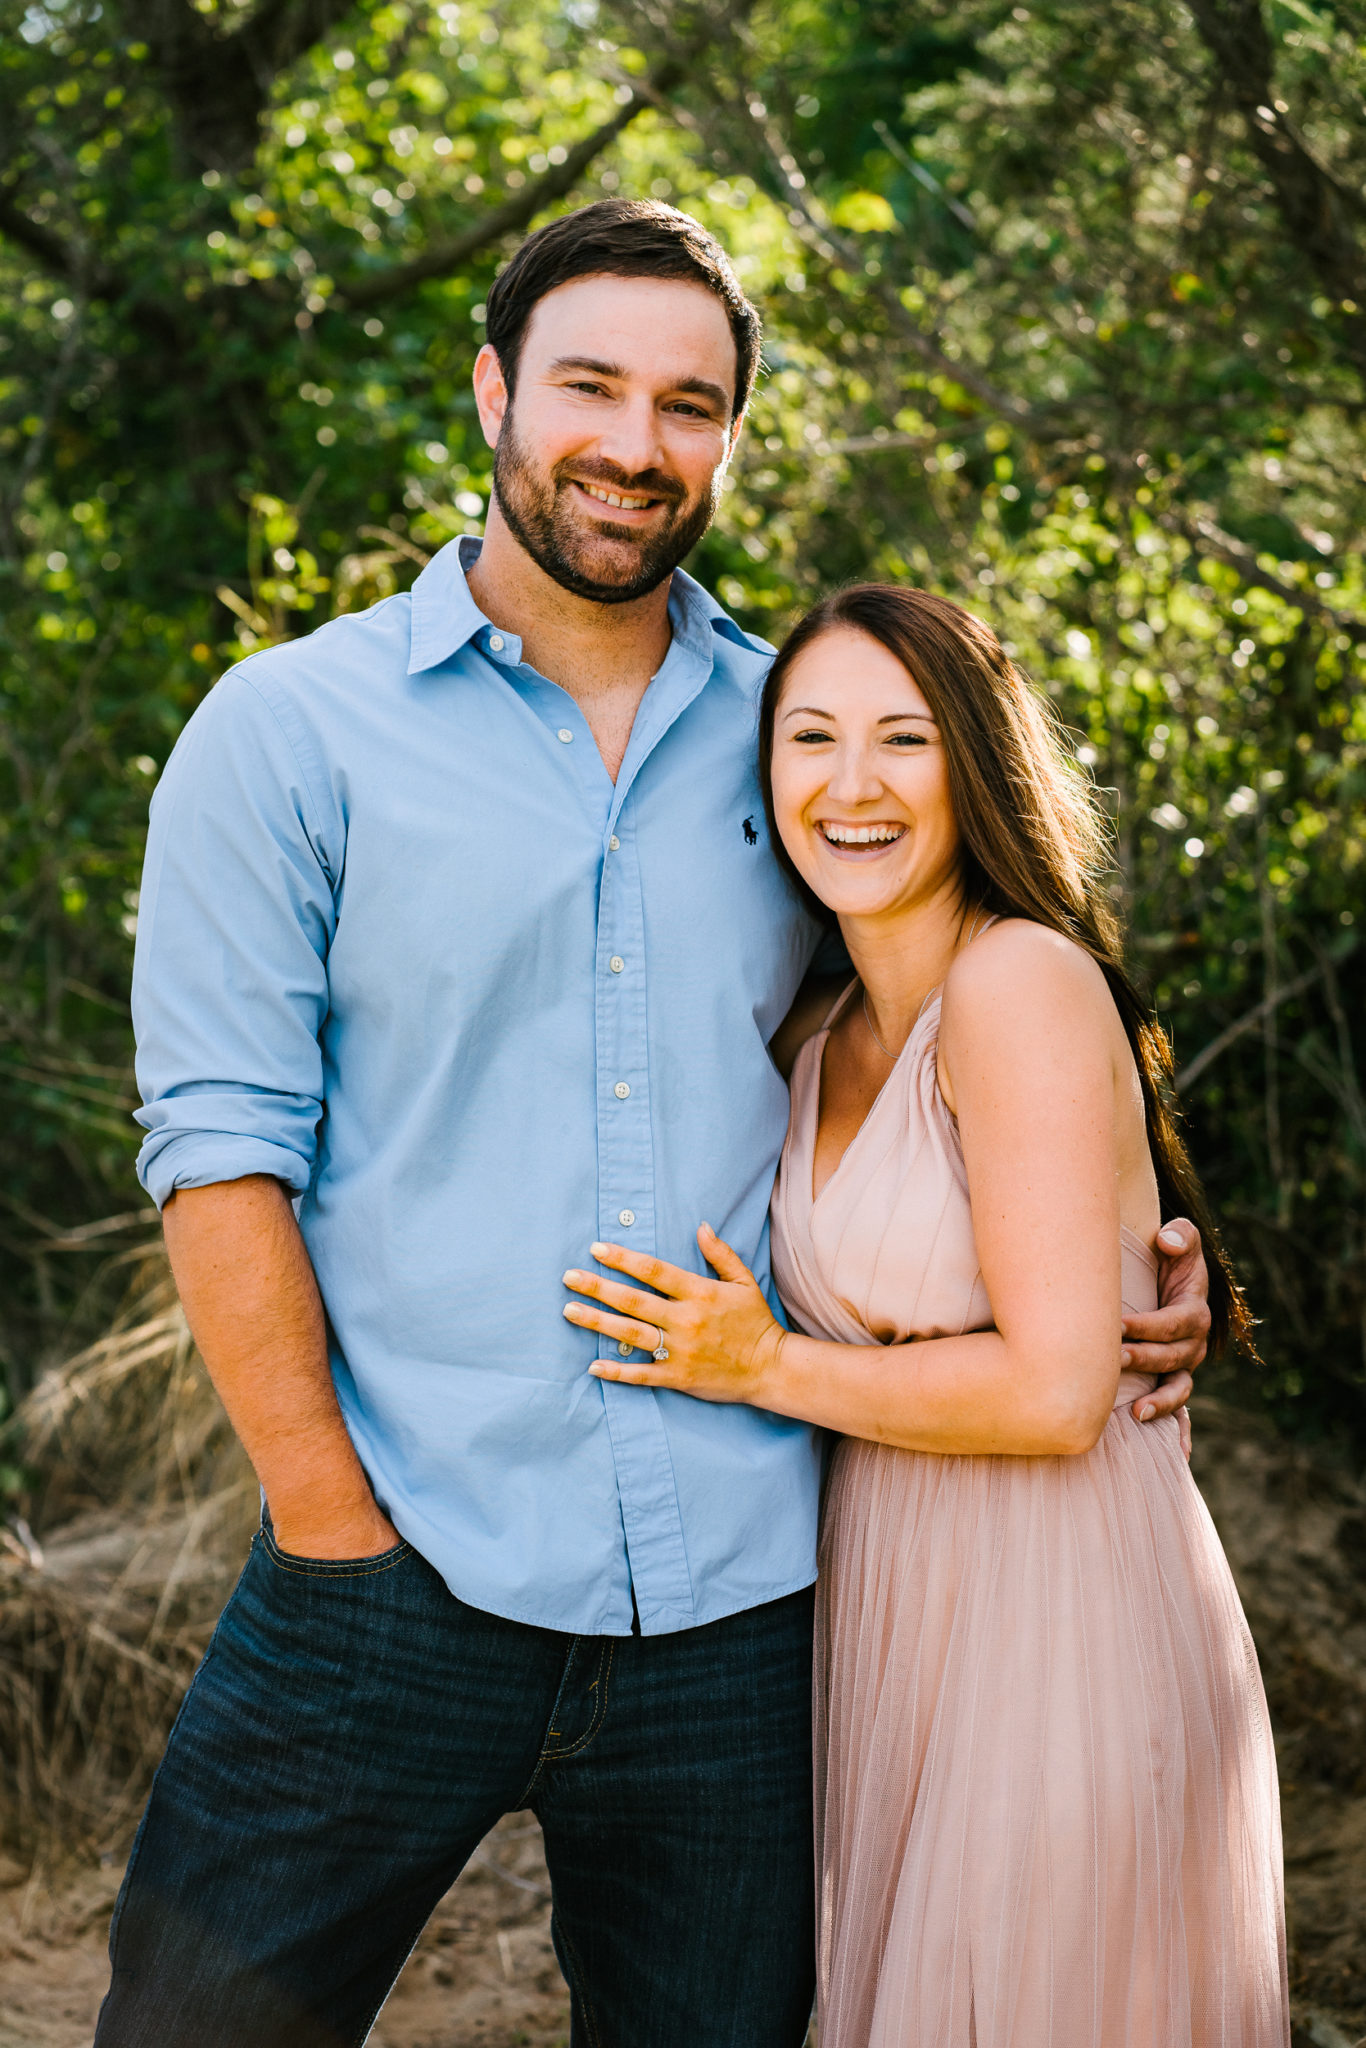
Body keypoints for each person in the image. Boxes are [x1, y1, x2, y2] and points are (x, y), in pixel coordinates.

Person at [99, 203, 1209, 2047]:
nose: (635, 440)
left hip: (751, 1600)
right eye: (590, 385)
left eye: (689, 402)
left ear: (731, 439)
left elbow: (974, 1029)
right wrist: (326, 1518)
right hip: (393, 1563)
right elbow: (219, 1153)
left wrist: (1141, 1261)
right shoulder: (288, 733)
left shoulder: (800, 738)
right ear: (490, 395)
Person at [565, 585, 1288, 2044]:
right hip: (892, 1600)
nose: (850, 785)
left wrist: (759, 1364)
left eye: (902, 740)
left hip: (1055, 1599)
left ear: (974, 763)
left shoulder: (1015, 981)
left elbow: (1050, 1392)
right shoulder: (813, 1031)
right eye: (810, 738)